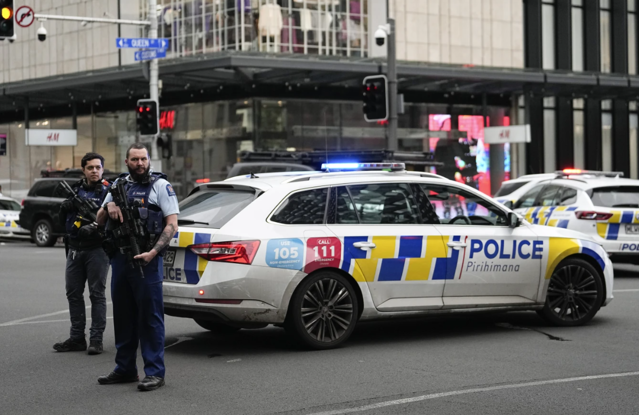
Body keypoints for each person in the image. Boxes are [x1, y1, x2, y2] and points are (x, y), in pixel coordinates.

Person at [96, 143, 179, 392]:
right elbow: (98, 220)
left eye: (143, 159)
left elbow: (172, 224)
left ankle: (154, 373)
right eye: (135, 159)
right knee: (123, 316)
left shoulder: (160, 186)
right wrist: (107, 206)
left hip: (148, 259)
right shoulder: (117, 186)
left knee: (150, 318)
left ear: (149, 160)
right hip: (120, 260)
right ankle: (125, 368)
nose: (140, 164)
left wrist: (153, 252)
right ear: (126, 162)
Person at [53, 153, 111, 355]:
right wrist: (64, 209)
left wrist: (96, 226)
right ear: (83, 170)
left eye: (97, 167)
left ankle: (96, 339)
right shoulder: (75, 190)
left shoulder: (109, 192)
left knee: (96, 294)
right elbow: (63, 222)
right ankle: (77, 338)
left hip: (97, 249)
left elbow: (115, 220)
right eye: (90, 168)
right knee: (73, 293)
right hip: (75, 248)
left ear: (102, 169)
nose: (94, 171)